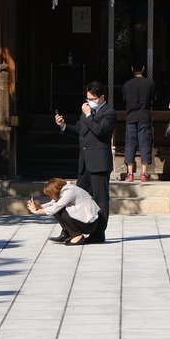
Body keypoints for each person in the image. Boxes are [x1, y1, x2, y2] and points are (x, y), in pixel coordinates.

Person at [54, 81, 115, 242]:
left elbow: (100, 130)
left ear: (101, 97)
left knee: (100, 199)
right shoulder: (86, 112)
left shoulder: (109, 112)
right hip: (85, 163)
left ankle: (98, 233)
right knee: (74, 197)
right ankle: (70, 231)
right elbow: (79, 130)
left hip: (99, 162)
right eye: (87, 98)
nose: (89, 102)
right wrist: (64, 126)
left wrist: (88, 115)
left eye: (92, 98)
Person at [25, 177, 100, 245]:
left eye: (50, 194)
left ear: (55, 190)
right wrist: (38, 206)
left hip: (88, 225)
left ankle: (77, 236)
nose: (50, 196)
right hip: (84, 222)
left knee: (59, 210)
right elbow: (52, 203)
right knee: (58, 210)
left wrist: (36, 211)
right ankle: (67, 233)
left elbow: (56, 207)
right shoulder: (65, 190)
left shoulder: (70, 191)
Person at [121, 64, 155, 181]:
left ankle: (129, 173)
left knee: (130, 144)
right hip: (144, 116)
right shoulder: (150, 83)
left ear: (132, 69)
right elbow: (152, 99)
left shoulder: (127, 84)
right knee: (145, 143)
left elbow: (125, 100)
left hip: (131, 117)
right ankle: (144, 173)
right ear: (143, 68)